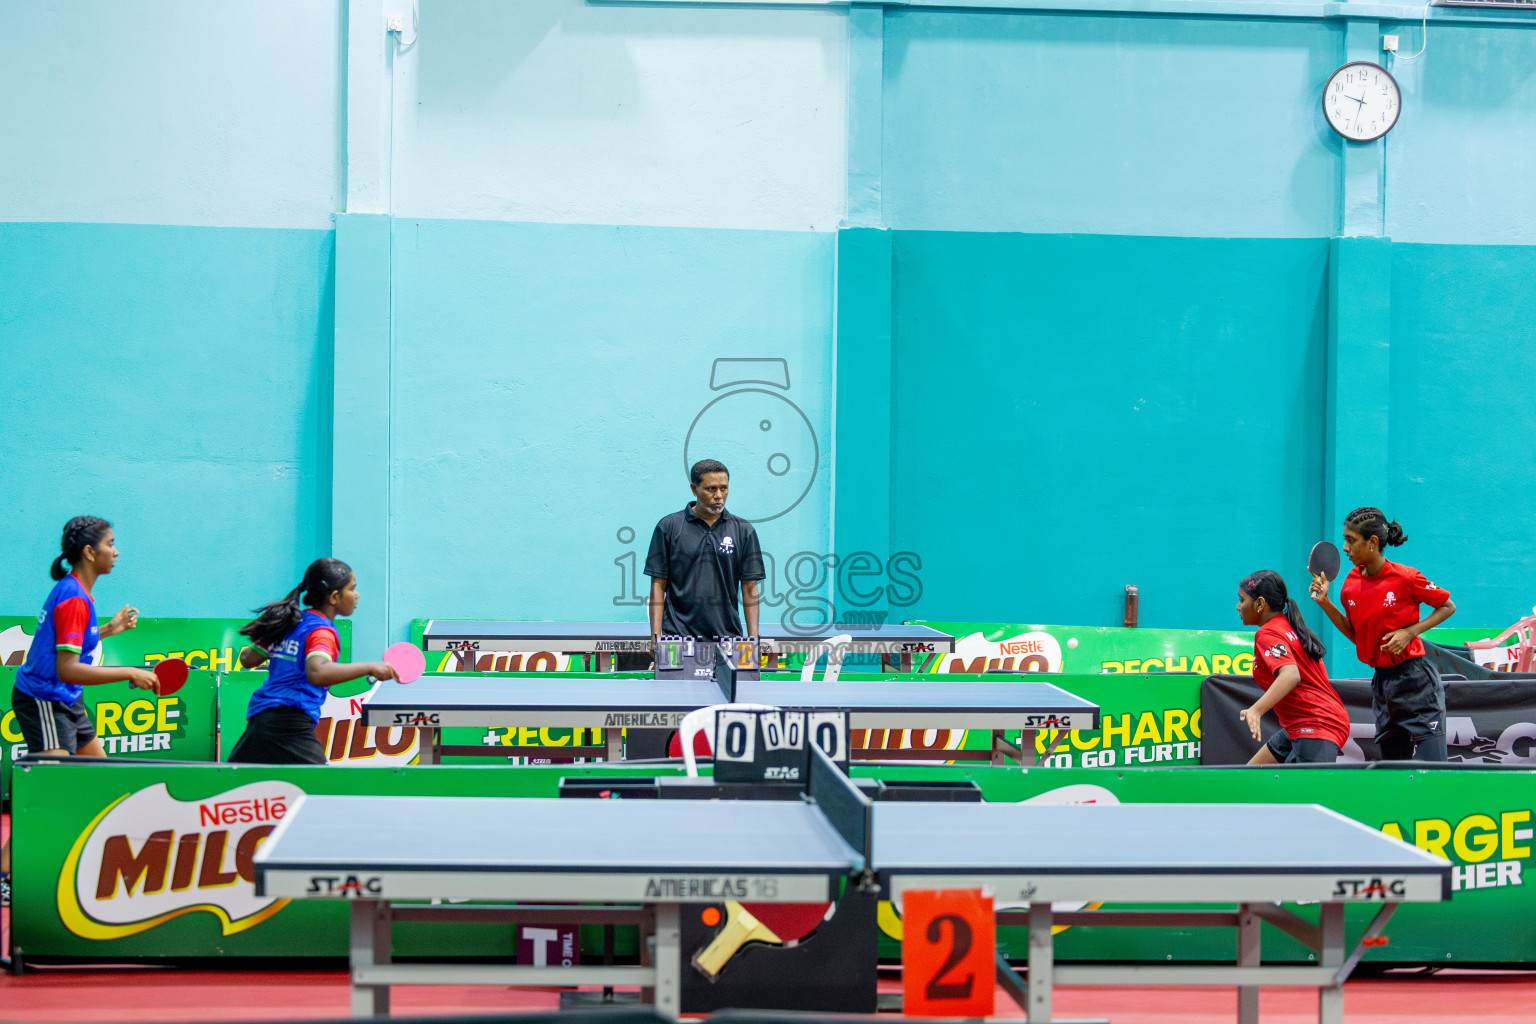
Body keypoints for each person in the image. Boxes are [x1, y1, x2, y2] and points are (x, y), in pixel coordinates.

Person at [2, 516, 158, 907]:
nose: (116, 551)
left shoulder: (76, 592)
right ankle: (4, 873)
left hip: (66, 699)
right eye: (110, 543)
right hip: (44, 700)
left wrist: (109, 629)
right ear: (90, 552)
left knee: (101, 781)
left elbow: (65, 643)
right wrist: (130, 672)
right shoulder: (72, 596)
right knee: (50, 791)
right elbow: (66, 667)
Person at [1310, 507, 1455, 761]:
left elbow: (1447, 606)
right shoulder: (1350, 584)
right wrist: (1325, 603)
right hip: (1383, 686)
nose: (1345, 548)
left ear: (1373, 543)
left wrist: (1410, 632)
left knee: (1436, 771)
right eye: (1345, 539)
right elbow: (1357, 635)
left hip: (1417, 682)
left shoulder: (1406, 577)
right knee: (1393, 773)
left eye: (1351, 540)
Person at [228, 558, 398, 764]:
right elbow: (317, 672)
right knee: (322, 786)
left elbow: (247, 659)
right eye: (353, 588)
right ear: (335, 597)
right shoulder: (321, 631)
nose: (357, 595)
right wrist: (370, 667)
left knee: (239, 785)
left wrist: (269, 633)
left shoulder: (291, 622)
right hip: (290, 721)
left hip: (261, 718)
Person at [1236, 570, 1350, 764]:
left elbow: (1290, 675)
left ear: (1260, 604)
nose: (1238, 607)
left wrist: (1256, 710)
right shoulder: (1286, 625)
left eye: (1241, 600)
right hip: (1299, 725)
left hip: (1317, 723)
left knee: (1308, 794)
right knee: (1249, 779)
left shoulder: (1267, 633)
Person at [645, 459, 764, 642]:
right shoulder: (668, 527)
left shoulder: (743, 530)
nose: (719, 495)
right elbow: (658, 585)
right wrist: (655, 636)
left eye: (723, 488)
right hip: (678, 638)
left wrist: (753, 638)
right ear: (694, 489)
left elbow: (749, 587)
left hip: (728, 638)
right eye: (711, 489)